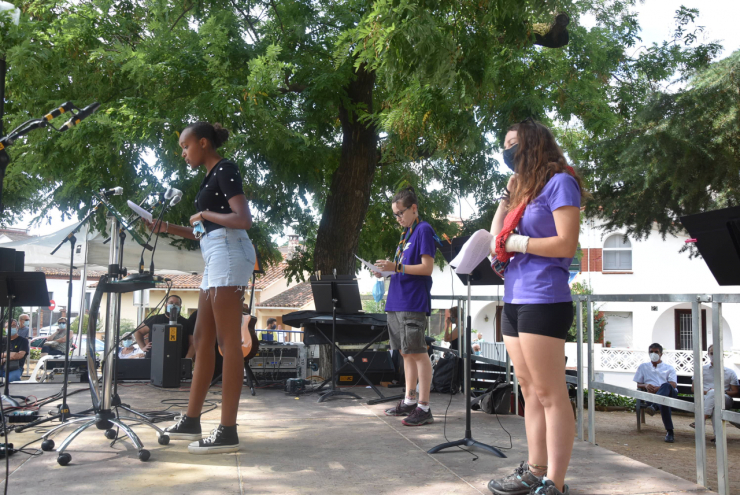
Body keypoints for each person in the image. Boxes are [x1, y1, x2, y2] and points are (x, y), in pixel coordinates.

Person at [487, 119, 586, 495]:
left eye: (513, 143)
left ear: (533, 144)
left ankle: (554, 483)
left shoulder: (561, 182)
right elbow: (497, 236)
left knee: (550, 393)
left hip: (544, 297)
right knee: (528, 390)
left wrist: (521, 245)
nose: (508, 151)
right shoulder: (524, 191)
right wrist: (507, 196)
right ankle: (534, 469)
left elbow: (565, 244)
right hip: (514, 298)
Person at [147, 121, 256, 455]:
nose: (183, 153)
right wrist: (166, 226)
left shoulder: (226, 168)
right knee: (202, 339)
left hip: (229, 252)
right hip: (214, 253)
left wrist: (204, 213)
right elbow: (203, 229)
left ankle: (227, 430)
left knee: (228, 343)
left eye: (185, 145)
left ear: (204, 143)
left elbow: (243, 219)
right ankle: (192, 419)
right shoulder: (210, 178)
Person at [375, 186, 438, 427]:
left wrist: (397, 268)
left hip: (412, 301)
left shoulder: (423, 229)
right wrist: (383, 272)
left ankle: (424, 406)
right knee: (405, 352)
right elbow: (400, 268)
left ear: (413, 208)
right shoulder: (405, 235)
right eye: (394, 214)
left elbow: (426, 268)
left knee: (418, 353)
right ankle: (409, 400)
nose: (398, 218)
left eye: (400, 212)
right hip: (397, 301)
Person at [690, 344, 740, 442]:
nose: (714, 355)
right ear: (708, 354)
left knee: (714, 393)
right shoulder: (701, 370)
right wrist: (707, 392)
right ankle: (719, 439)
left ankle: (702, 419)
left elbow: (735, 392)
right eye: (712, 353)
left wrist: (722, 392)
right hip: (705, 399)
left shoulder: (730, 372)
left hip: (725, 399)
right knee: (716, 409)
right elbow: (693, 389)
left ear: (722, 355)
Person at [633, 343, 678, 443]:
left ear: (661, 354)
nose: (653, 354)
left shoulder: (669, 368)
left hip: (670, 395)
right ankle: (670, 432)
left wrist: (659, 388)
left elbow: (673, 385)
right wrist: (645, 385)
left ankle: (655, 406)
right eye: (651, 352)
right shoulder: (643, 367)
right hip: (652, 397)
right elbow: (638, 384)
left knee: (666, 386)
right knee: (663, 401)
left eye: (656, 352)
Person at [134, 295, 194, 360]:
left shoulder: (187, 323)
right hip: (154, 359)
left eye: (177, 304)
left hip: (178, 361)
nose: (173, 305)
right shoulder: (154, 319)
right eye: (171, 303)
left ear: (180, 307)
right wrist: (143, 347)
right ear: (166, 305)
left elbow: (193, 344)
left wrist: (187, 360)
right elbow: (138, 332)